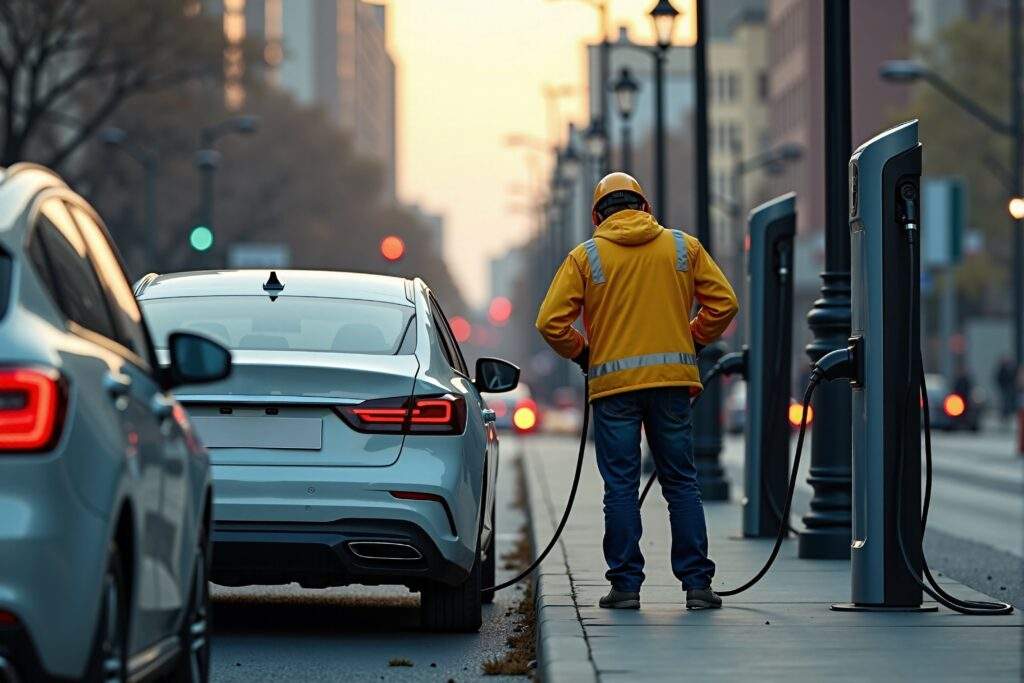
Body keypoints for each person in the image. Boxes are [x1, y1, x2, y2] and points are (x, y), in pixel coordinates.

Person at [535, 172, 738, 611]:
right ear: (645, 208)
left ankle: (626, 587)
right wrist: (694, 339)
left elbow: (550, 322)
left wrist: (584, 354)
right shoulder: (682, 248)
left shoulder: (586, 258)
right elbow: (724, 303)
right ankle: (697, 584)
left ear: (596, 216)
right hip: (670, 387)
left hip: (614, 390)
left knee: (621, 487)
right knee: (681, 482)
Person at [995, 356, 1016, 426]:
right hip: (1003, 390)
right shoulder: (1001, 370)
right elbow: (998, 379)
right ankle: (1003, 417)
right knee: (1003, 403)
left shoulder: (1010, 369)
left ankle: (1007, 416)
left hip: (1008, 390)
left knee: (1007, 403)